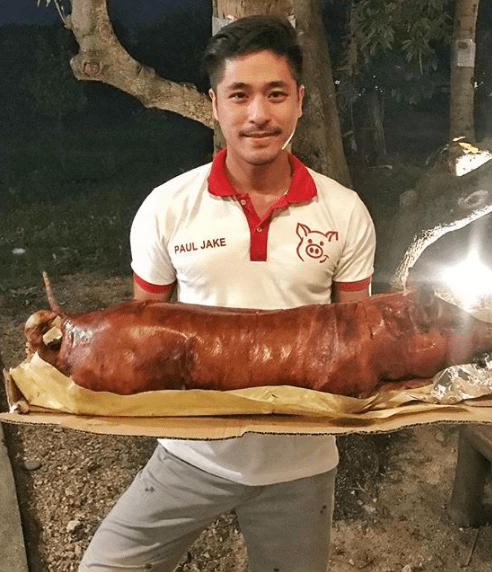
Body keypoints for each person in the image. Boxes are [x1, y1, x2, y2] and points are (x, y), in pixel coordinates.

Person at [79, 15, 375, 572]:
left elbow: (355, 340)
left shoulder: (344, 211)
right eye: (239, 95)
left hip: (301, 465)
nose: (258, 114)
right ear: (215, 104)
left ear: (300, 100)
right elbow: (145, 336)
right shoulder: (167, 207)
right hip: (191, 453)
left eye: (275, 93)